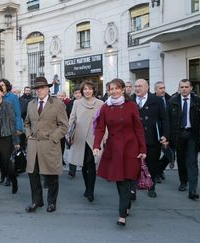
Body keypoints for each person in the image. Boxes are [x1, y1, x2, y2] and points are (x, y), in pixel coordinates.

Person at [93, 78, 146, 226]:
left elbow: (139, 129)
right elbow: (100, 128)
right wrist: (96, 145)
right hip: (114, 147)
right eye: (111, 89)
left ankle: (124, 209)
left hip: (130, 146)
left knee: (127, 179)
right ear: (108, 91)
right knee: (119, 178)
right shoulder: (105, 107)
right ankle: (124, 208)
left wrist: (142, 149)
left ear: (122, 90)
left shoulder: (131, 106)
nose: (114, 91)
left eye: (117, 88)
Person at [24, 76, 68, 213]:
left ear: (48, 89)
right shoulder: (31, 104)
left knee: (51, 175)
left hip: (50, 145)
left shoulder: (57, 104)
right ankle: (36, 201)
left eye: (42, 88)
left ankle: (52, 202)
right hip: (33, 146)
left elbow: (64, 126)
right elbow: (26, 123)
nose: (39, 91)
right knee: (33, 175)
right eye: (37, 88)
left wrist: (53, 137)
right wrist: (28, 135)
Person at [131, 79, 169, 198]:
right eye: (136, 86)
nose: (137, 88)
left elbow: (164, 119)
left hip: (152, 139)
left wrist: (165, 135)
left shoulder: (156, 100)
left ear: (147, 87)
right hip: (134, 140)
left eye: (140, 86)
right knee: (133, 166)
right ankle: (133, 190)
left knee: (152, 165)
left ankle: (151, 187)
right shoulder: (130, 100)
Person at [167, 79, 200, 200]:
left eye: (186, 87)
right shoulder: (172, 101)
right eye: (182, 87)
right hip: (178, 135)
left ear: (191, 88)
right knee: (181, 160)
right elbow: (167, 121)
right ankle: (183, 181)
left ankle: (193, 190)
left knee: (192, 162)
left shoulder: (198, 101)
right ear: (179, 88)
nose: (184, 89)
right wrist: (167, 137)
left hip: (192, 135)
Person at [67, 82, 103, 202]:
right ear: (82, 91)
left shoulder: (100, 103)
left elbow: (104, 123)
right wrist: (68, 133)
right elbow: (72, 119)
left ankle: (90, 191)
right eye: (85, 89)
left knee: (92, 164)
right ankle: (87, 187)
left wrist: (105, 137)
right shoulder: (77, 103)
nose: (87, 91)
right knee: (83, 164)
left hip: (94, 138)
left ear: (93, 90)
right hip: (80, 138)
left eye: (90, 89)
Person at [0, 84, 20, 193]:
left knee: (7, 164)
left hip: (5, 138)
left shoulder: (8, 104)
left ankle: (14, 181)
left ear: (2, 93)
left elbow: (12, 123)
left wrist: (16, 141)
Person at [0, 78, 23, 185]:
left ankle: (9, 177)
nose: (1, 87)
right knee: (0, 157)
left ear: (7, 86)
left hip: (10, 130)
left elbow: (17, 113)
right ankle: (3, 174)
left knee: (8, 156)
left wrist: (18, 128)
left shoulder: (12, 97)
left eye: (3, 85)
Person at [154, 81, 172, 182]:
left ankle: (159, 169)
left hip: (168, 130)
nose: (163, 90)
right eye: (160, 88)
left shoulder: (170, 99)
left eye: (164, 87)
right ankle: (155, 173)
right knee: (155, 153)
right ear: (155, 90)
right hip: (156, 131)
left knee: (170, 153)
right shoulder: (152, 99)